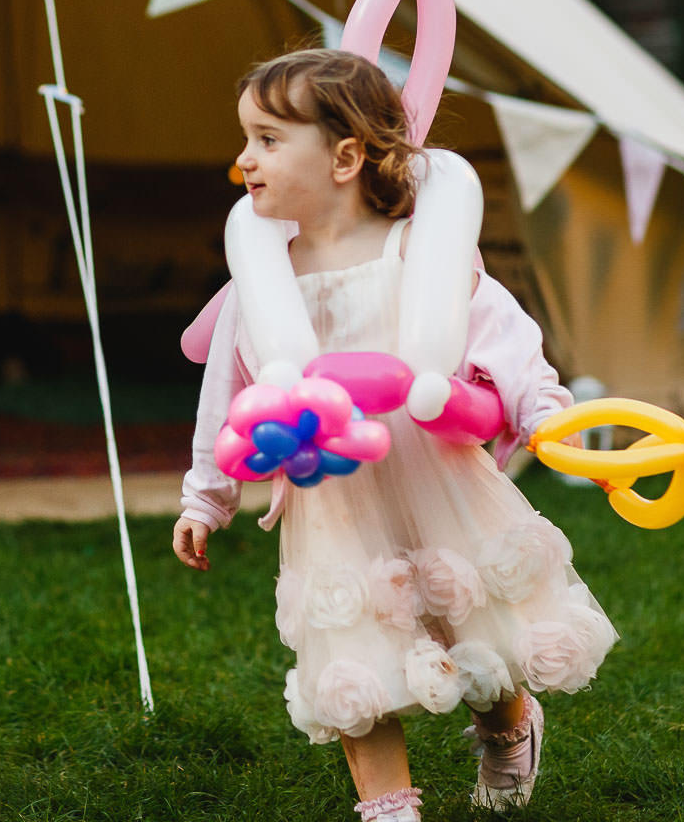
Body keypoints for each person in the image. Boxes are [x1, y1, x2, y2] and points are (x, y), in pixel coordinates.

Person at [172, 50, 615, 821]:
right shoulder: (262, 284)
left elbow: (508, 347)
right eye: (246, 137)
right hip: (334, 503)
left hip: (435, 477)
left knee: (477, 624)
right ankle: (389, 809)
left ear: (344, 157)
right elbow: (231, 401)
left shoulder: (420, 255)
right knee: (354, 656)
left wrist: (551, 422)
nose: (244, 159)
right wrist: (206, 498)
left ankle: (508, 733)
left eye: (269, 140)